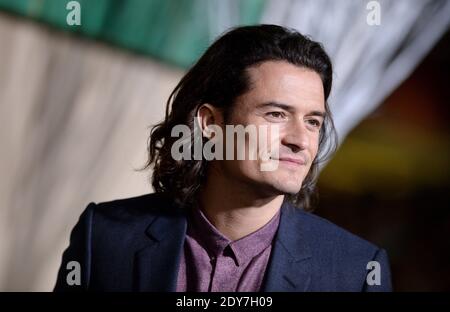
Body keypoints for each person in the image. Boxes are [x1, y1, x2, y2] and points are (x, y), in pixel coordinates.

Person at [54, 24, 392, 292]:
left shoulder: (354, 272)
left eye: (313, 121)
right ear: (211, 123)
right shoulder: (105, 236)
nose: (300, 140)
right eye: (276, 114)